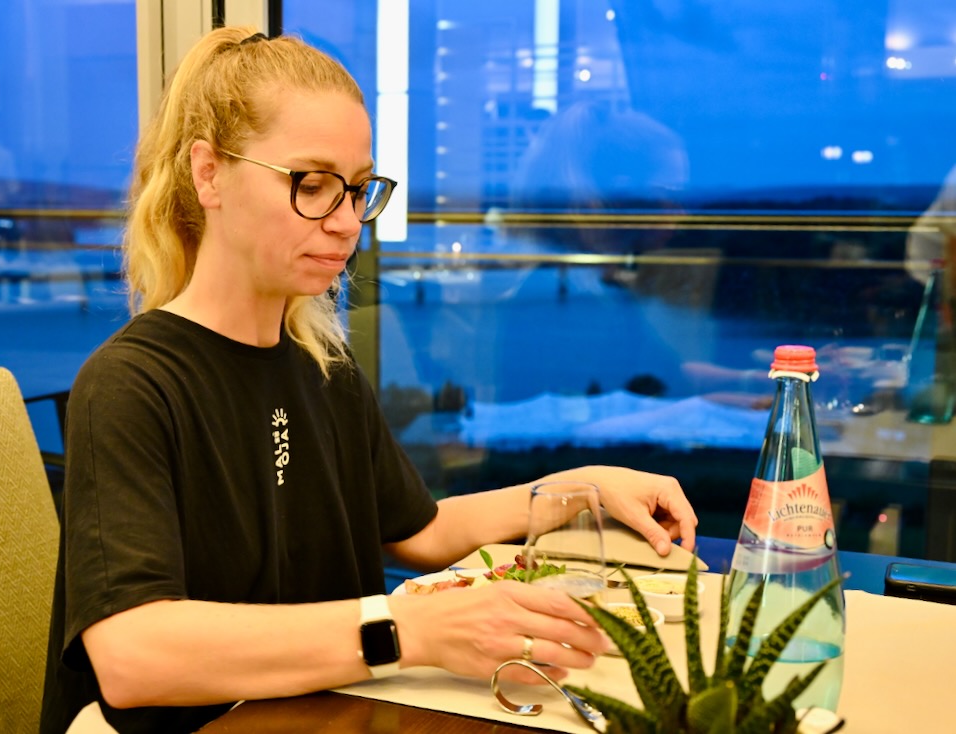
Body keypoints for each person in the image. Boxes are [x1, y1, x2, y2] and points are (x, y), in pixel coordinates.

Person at [40, 26, 699, 734]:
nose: (347, 223)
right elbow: (134, 657)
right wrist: (407, 630)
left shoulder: (322, 368)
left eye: (357, 191)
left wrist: (583, 489)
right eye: (312, 185)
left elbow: (424, 531)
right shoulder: (134, 383)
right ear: (209, 174)